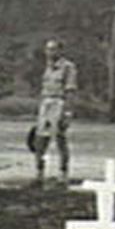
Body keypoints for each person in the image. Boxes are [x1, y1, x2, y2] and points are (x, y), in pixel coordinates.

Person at [31, 38, 77, 187]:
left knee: (59, 138)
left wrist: (68, 112)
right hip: (46, 102)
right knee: (40, 139)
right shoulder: (48, 67)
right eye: (47, 49)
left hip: (59, 102)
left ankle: (63, 172)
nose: (49, 53)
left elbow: (70, 90)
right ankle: (39, 171)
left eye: (52, 49)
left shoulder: (68, 67)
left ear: (60, 51)